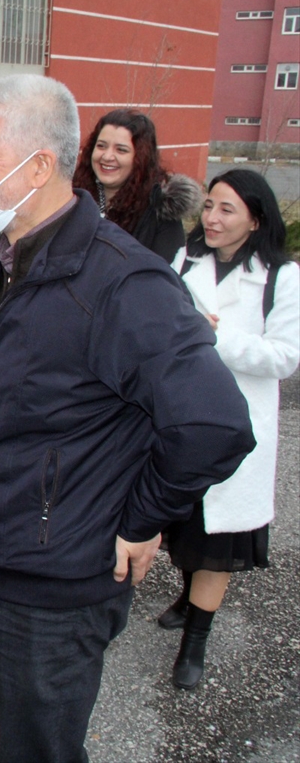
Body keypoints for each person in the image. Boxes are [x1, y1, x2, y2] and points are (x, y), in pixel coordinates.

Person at [0, 74, 255, 763]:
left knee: (43, 750)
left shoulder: (122, 283)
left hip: (58, 581)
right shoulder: (0, 261)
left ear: (38, 168)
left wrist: (143, 517)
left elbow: (213, 424)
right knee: (23, 735)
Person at [158, 169, 300, 690]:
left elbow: (285, 358)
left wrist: (217, 338)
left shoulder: (282, 278)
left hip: (239, 427)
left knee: (219, 539)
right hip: (183, 418)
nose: (212, 219)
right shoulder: (184, 262)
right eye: (210, 206)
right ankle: (185, 596)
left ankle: (195, 640)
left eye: (227, 210)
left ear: (256, 219)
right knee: (186, 525)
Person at [72, 109, 200, 262]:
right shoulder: (72, 197)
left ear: (140, 157)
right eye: (101, 146)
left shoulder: (159, 213)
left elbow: (162, 278)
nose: (107, 156)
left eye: (121, 150)